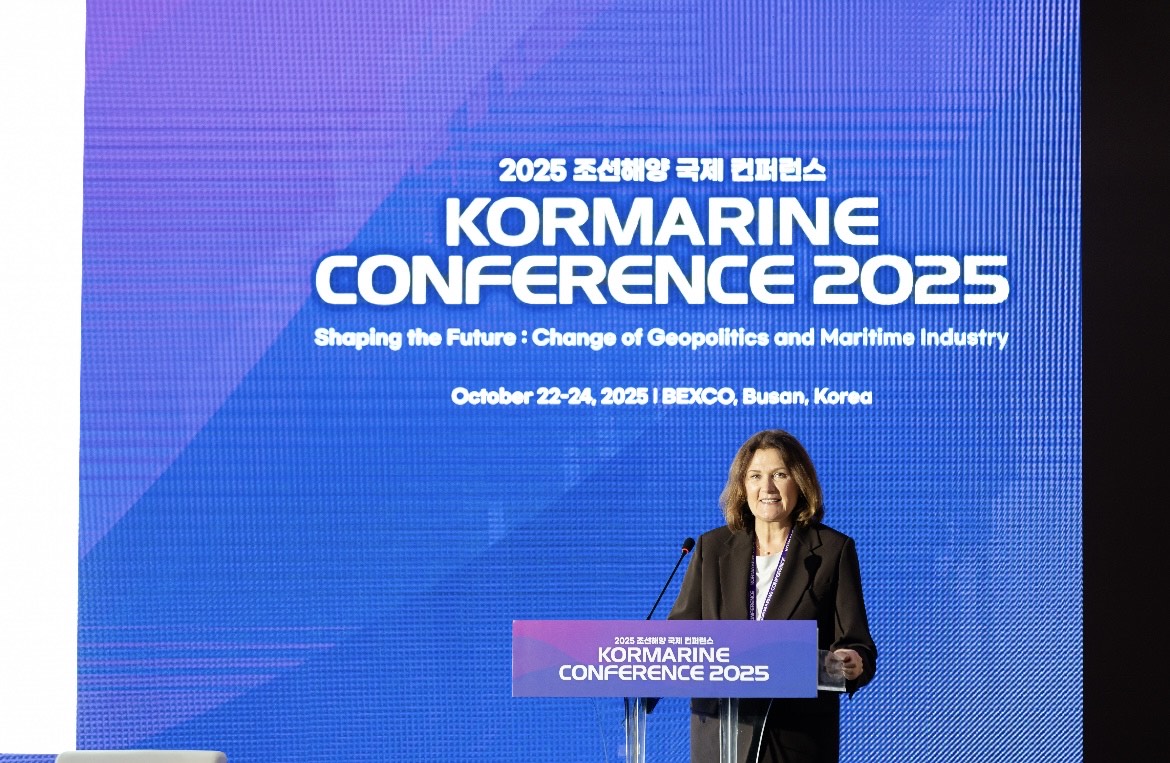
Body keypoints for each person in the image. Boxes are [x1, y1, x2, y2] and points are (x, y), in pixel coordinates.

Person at [668, 429, 877, 763]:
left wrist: (851, 660)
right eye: (755, 476)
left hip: (795, 741)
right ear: (742, 486)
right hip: (721, 739)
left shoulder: (832, 551)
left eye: (780, 475)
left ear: (800, 482)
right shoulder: (711, 548)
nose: (767, 488)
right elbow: (680, 638)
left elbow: (857, 644)